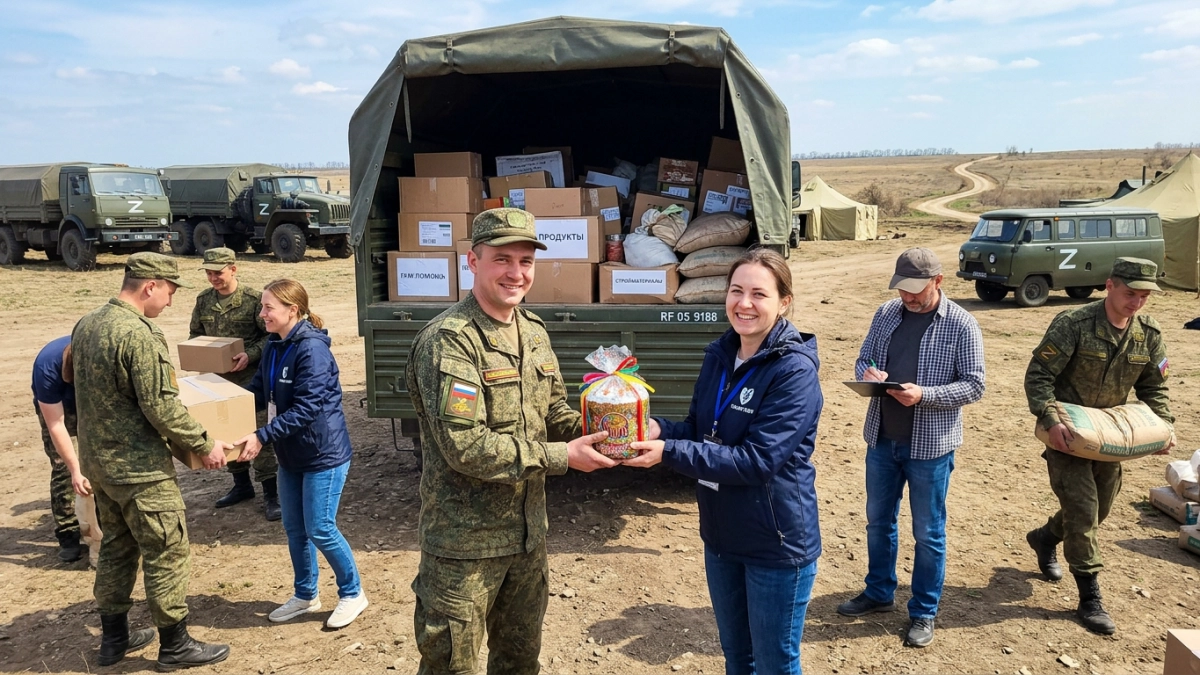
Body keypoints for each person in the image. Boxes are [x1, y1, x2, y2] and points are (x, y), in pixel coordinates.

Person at [405, 208, 615, 675]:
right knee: (450, 667)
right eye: (503, 259)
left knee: (520, 662)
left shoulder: (534, 332)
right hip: (465, 548)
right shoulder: (450, 341)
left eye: (526, 261)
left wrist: (609, 423)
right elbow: (466, 446)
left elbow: (554, 412)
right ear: (473, 261)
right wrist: (564, 457)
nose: (516, 273)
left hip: (526, 539)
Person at [625, 248, 823, 675]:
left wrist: (669, 453)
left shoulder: (794, 371)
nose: (744, 304)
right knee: (737, 658)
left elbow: (757, 461)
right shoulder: (719, 354)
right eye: (736, 291)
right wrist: (659, 429)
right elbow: (700, 429)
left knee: (774, 664)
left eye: (759, 294)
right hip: (721, 535)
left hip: (776, 540)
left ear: (784, 302)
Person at [72, 252, 232, 669]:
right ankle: (175, 645)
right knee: (166, 550)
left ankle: (114, 640)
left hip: (100, 466)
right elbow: (161, 405)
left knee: (117, 549)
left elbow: (72, 379)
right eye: (169, 291)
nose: (171, 302)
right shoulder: (140, 334)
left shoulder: (87, 323)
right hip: (140, 470)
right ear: (149, 286)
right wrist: (204, 442)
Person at [836, 247, 985, 648]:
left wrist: (926, 395)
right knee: (877, 522)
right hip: (882, 438)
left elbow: (975, 384)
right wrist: (867, 372)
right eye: (902, 290)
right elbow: (863, 357)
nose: (908, 298)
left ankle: (923, 612)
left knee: (928, 533)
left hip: (931, 447)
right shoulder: (886, 314)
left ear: (939, 281)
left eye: (916, 290)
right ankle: (880, 592)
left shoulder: (962, 325)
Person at [1024, 257, 1172, 635]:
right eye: (1129, 293)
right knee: (1084, 509)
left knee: (1099, 510)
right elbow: (1039, 375)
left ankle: (1044, 538)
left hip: (1112, 438)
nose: (1136, 302)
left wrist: (1163, 426)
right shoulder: (1073, 324)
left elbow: (1154, 387)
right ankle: (1090, 598)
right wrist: (1050, 420)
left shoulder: (1148, 335)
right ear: (1109, 285)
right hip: (1069, 436)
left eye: (1143, 296)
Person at [233, 279, 367, 629]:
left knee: (320, 528)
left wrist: (262, 435)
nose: (261, 313)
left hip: (323, 454)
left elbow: (307, 408)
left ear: (292, 310)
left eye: (268, 307)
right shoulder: (274, 346)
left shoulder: (311, 350)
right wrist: (227, 409)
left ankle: (353, 594)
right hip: (290, 455)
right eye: (262, 306)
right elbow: (259, 391)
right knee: (295, 528)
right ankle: (306, 594)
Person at [189, 247, 278, 520]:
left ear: (233, 269)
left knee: (258, 434)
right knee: (225, 433)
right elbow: (195, 334)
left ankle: (271, 493)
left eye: (218, 272)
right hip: (218, 382)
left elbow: (271, 337)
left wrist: (248, 355)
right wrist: (200, 354)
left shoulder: (253, 300)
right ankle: (241, 486)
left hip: (251, 381)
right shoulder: (204, 300)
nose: (213, 278)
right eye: (209, 273)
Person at [31, 336, 91, 562]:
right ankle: (68, 533)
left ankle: (100, 524)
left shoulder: (99, 357)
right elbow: (56, 425)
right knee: (63, 468)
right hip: (59, 407)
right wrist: (75, 469)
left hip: (93, 402)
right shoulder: (46, 369)